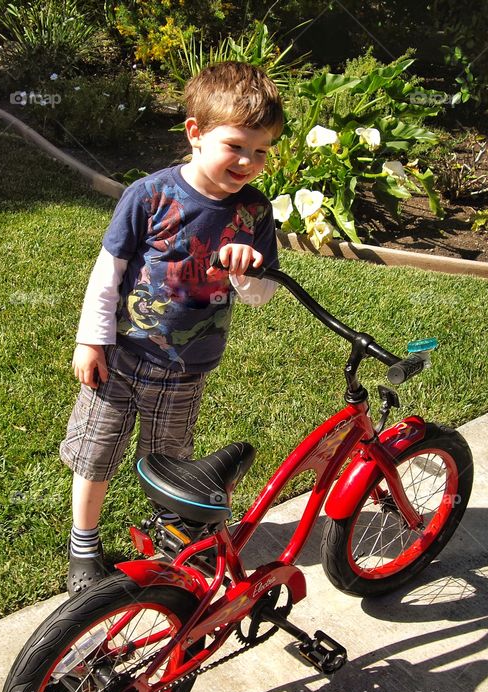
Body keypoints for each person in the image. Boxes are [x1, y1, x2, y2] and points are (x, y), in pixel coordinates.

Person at [59, 61, 285, 595]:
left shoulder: (254, 213)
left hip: (187, 368)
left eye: (261, 151)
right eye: (235, 146)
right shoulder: (150, 194)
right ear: (196, 133)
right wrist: (91, 339)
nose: (248, 162)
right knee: (97, 454)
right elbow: (108, 272)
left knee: (169, 462)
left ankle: (171, 539)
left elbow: (260, 296)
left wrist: (243, 270)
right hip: (121, 360)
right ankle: (83, 547)